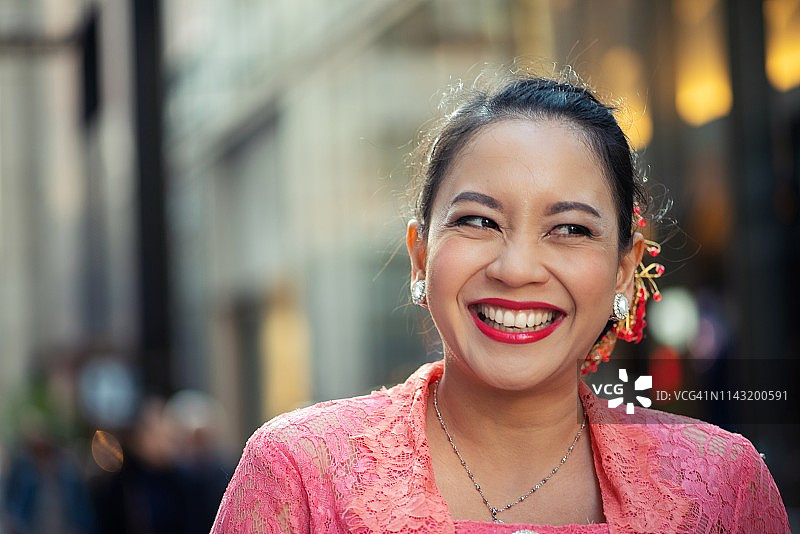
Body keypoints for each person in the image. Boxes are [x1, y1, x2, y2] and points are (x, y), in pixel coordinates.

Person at [211, 71, 790, 533]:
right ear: (420, 256)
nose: (516, 269)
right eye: (479, 221)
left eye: (570, 229)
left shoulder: (720, 487)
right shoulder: (301, 474)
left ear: (623, 271)